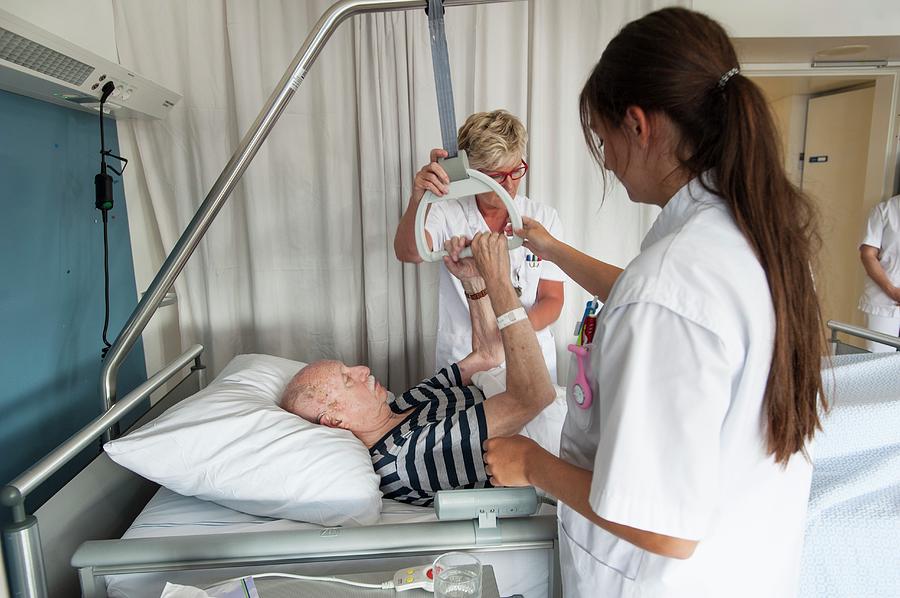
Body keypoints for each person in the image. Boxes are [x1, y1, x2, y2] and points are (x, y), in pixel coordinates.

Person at [481, 8, 828, 598]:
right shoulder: (756, 242)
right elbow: (655, 298)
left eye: (603, 140)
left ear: (638, 125)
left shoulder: (669, 284)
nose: (608, 161)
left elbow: (662, 527)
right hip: (746, 568)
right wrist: (553, 250)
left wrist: (529, 463)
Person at [281, 235, 556, 506]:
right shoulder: (404, 458)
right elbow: (533, 397)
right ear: (335, 421)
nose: (362, 370)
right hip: (557, 440)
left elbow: (487, 356)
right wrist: (498, 282)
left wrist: (474, 281)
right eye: (347, 379)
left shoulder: (400, 405)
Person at [393, 110, 565, 380]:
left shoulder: (543, 218)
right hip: (465, 356)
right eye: (496, 176)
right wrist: (418, 198)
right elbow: (410, 253)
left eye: (516, 170)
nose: (509, 184)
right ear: (472, 173)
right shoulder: (446, 210)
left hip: (531, 352)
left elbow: (553, 299)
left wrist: (512, 332)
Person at [858, 193, 900, 352]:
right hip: (883, 300)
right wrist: (893, 291)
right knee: (879, 363)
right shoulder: (884, 211)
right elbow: (867, 255)